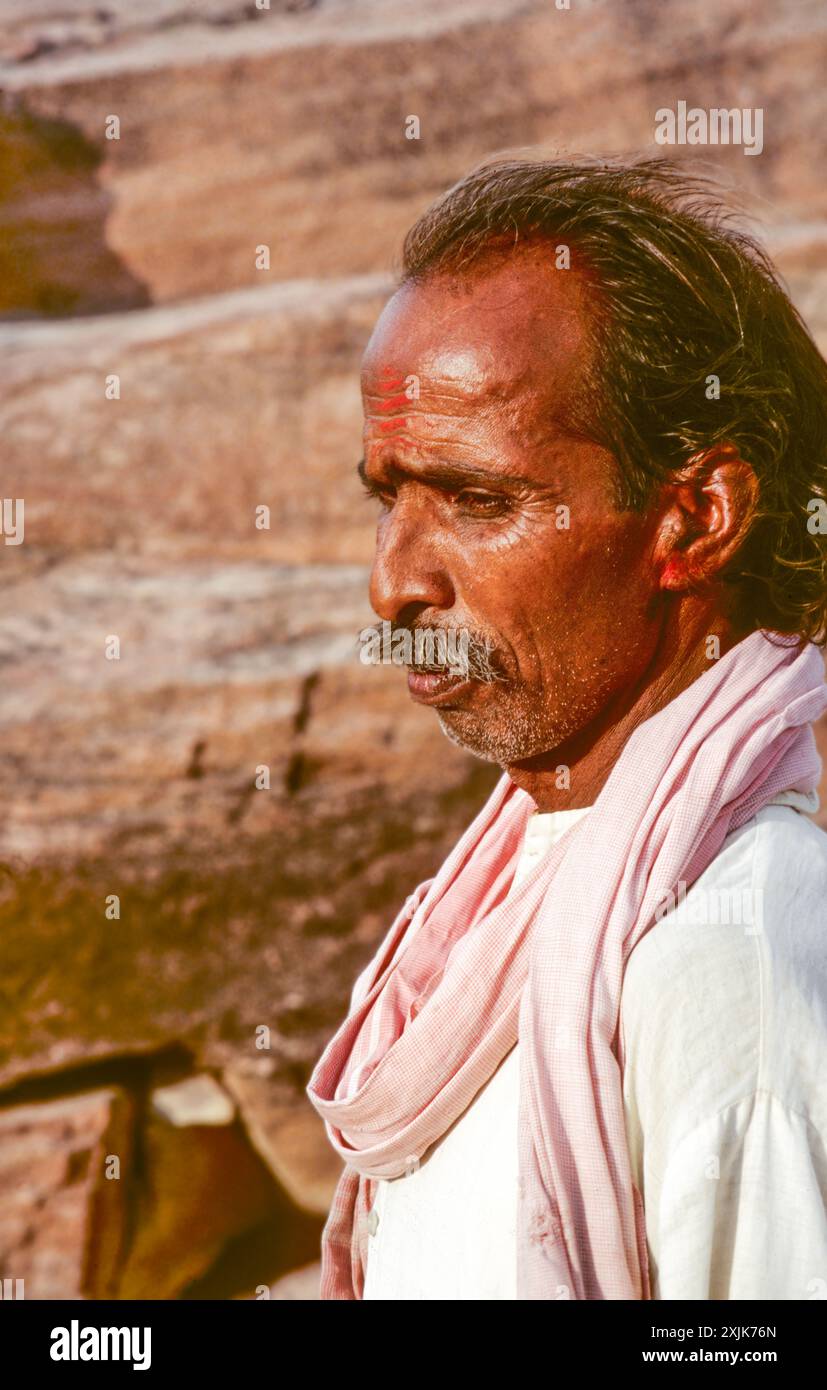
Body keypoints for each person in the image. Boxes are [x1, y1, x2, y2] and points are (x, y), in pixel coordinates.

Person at [306, 156, 827, 1299]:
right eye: (387, 496)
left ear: (693, 518)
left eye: (479, 501)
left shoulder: (729, 963)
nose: (392, 582)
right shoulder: (501, 901)